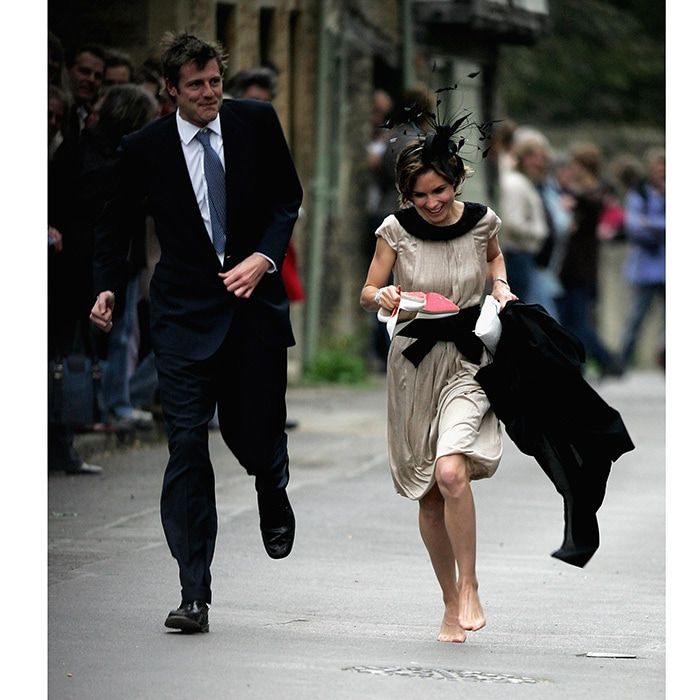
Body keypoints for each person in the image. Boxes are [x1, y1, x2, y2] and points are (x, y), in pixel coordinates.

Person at [89, 33, 303, 634]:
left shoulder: (256, 122)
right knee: (185, 444)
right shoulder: (145, 147)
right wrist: (105, 286)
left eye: (215, 82)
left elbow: (287, 199)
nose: (210, 94)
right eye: (196, 86)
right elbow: (117, 224)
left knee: (252, 430)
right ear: (170, 90)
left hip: (251, 305)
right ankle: (193, 591)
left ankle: (270, 481)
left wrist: (264, 257)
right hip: (182, 314)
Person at [360, 125, 517, 643]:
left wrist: (500, 285)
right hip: (413, 363)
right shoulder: (395, 230)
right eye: (419, 194)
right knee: (429, 492)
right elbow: (368, 289)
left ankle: (470, 584)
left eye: (439, 190)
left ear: (455, 183)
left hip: (468, 360)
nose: (430, 202)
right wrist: (382, 297)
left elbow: (494, 258)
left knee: (452, 472)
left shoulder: (481, 223)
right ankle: (450, 603)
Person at [556, 143, 622, 378]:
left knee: (579, 320)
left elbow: (592, 203)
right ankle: (595, 362)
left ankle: (600, 362)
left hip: (582, 266)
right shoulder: (578, 191)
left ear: (583, 166)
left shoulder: (594, 191)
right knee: (569, 318)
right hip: (570, 265)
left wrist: (573, 200)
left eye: (574, 164)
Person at [619, 147, 665, 371]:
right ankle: (623, 361)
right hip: (645, 268)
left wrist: (652, 224)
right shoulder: (640, 193)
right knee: (636, 317)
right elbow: (634, 226)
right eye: (659, 166)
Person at [498, 134, 550, 304]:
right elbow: (512, 222)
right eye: (534, 157)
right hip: (516, 255)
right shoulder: (515, 183)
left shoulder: (525, 182)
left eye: (542, 158)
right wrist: (539, 232)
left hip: (524, 256)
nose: (540, 163)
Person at [64, 44, 106, 141]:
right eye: (84, 71)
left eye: (98, 76)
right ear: (67, 71)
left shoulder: (91, 118)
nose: (92, 80)